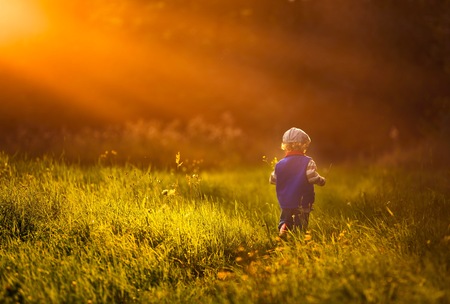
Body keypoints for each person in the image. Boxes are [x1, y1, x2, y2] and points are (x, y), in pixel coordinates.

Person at [270, 127, 326, 237]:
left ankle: (284, 227)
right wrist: (322, 180)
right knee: (301, 225)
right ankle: (298, 240)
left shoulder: (280, 164)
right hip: (302, 201)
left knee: (286, 219)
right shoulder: (308, 162)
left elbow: (272, 179)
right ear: (304, 145)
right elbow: (312, 178)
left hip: (285, 202)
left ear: (285, 146)